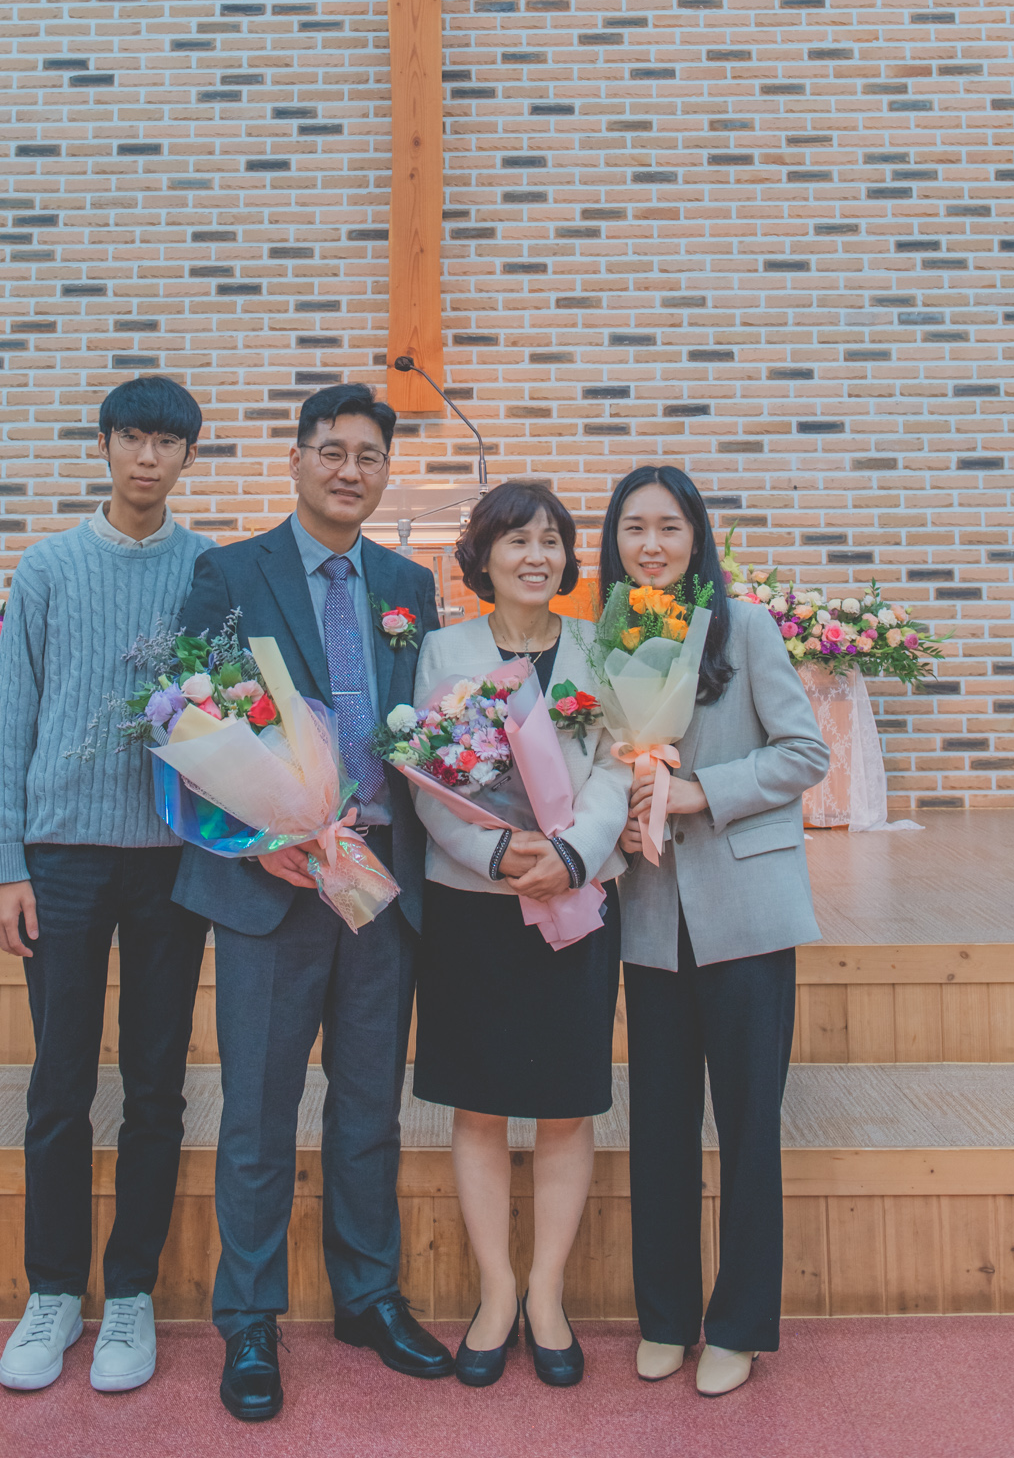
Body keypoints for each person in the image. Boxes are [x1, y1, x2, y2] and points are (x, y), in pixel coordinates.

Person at [171, 382, 453, 1422]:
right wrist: (263, 838)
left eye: (368, 455)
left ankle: (367, 1295)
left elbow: (426, 725)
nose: (349, 469)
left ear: (385, 473)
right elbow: (189, 718)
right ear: (295, 460)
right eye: (330, 450)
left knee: (369, 1103)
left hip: (377, 878)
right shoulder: (229, 570)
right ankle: (248, 1316)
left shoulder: (408, 583)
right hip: (275, 882)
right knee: (257, 1109)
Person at [0, 376, 216, 1395]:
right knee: (60, 1080)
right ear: (106, 444)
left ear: (188, 456)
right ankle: (51, 1290)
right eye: (132, 437)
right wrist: (5, 866)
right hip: (63, 858)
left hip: (169, 855)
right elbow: (11, 722)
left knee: (156, 1081)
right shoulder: (48, 566)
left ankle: (130, 1292)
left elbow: (231, 707)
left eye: (167, 442)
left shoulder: (207, 567)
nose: (147, 457)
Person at [602, 465, 829, 1398]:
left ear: (696, 535)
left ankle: (737, 1324)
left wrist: (701, 790)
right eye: (633, 528)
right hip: (652, 915)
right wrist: (610, 823)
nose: (650, 544)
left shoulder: (746, 628)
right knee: (658, 1126)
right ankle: (664, 1318)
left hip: (745, 911)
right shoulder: (602, 638)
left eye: (668, 526)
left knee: (745, 1127)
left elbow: (803, 753)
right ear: (613, 541)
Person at [409, 481, 629, 1390]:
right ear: (483, 556)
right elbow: (424, 775)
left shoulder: (597, 648)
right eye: (515, 540)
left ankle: (546, 1294)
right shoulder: (443, 650)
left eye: (550, 541)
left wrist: (572, 854)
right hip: (473, 901)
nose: (535, 556)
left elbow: (619, 765)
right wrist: (496, 853)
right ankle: (495, 1292)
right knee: (479, 1103)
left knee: (567, 1102)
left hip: (575, 898)